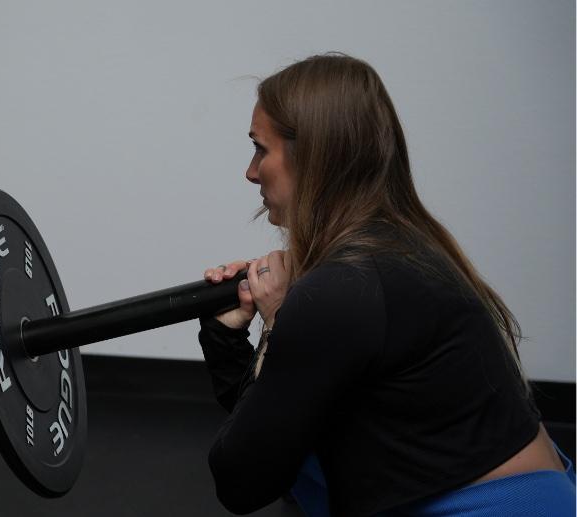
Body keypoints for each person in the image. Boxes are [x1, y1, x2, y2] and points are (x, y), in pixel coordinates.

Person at [198, 53, 574, 517]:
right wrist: (226, 336)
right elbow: (272, 438)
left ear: (313, 155)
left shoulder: (343, 290)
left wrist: (278, 325)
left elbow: (241, 482)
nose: (251, 171)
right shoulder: (399, 248)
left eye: (261, 148)